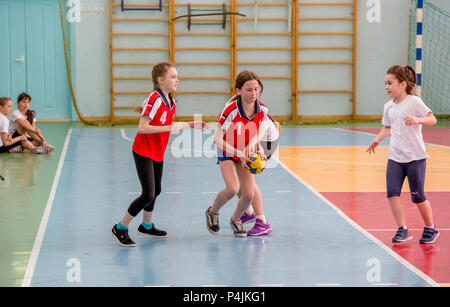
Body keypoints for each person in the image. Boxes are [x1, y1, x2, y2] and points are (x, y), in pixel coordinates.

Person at [111, 62, 209, 247]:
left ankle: (146, 226)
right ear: (160, 80)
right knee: (148, 193)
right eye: (173, 77)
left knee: (157, 190)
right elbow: (142, 127)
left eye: (177, 76)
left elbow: (162, 120)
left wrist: (190, 124)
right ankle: (120, 228)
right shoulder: (155, 99)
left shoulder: (170, 100)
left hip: (157, 151)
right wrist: (170, 127)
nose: (177, 80)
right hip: (143, 150)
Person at [366, 64, 439, 244]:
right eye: (385, 84)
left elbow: (432, 119)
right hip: (396, 157)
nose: (387, 87)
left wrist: (418, 119)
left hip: (415, 158)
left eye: (390, 83)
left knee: (417, 196)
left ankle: (430, 227)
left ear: (403, 84)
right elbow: (388, 127)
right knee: (392, 193)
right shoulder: (388, 107)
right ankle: (402, 229)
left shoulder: (414, 102)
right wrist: (377, 139)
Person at [205, 70, 271, 237]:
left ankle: (236, 219)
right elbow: (218, 139)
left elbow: (262, 128)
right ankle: (213, 212)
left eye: (256, 89)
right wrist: (239, 153)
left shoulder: (262, 109)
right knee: (233, 189)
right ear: (238, 91)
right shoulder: (231, 110)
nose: (253, 93)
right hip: (227, 149)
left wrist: (256, 145)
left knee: (249, 194)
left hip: (244, 151)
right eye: (249, 89)